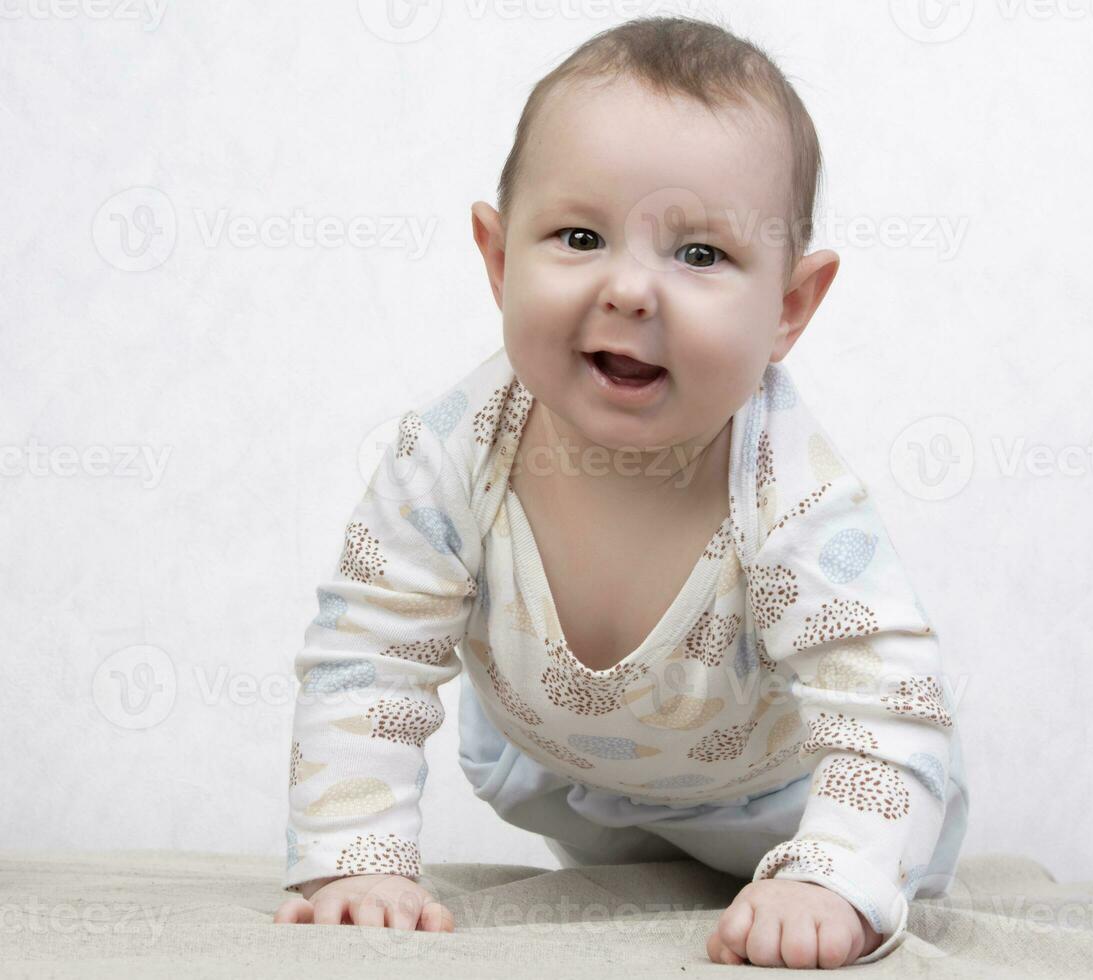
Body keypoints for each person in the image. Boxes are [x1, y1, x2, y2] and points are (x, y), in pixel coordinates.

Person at [272, 15, 968, 969]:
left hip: (788, 795)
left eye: (700, 255)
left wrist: (830, 880)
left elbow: (888, 706)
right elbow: (369, 652)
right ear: (500, 259)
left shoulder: (794, 496)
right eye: (580, 235)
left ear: (789, 308)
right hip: (561, 778)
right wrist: (354, 860)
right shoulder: (447, 457)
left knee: (854, 851)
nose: (632, 290)